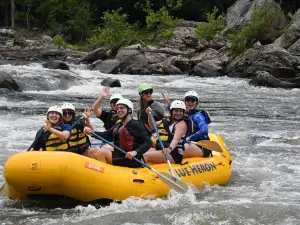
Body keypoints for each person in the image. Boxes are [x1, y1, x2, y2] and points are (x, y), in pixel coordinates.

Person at [84, 99, 152, 168]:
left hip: (131, 159)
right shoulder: (119, 125)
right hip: (120, 156)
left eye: (122, 108)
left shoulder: (136, 124)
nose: (119, 110)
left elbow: (148, 142)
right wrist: (91, 133)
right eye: (118, 108)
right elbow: (105, 135)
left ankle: (104, 173)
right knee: (91, 151)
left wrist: (135, 152)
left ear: (129, 110)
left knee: (100, 152)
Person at [143, 100, 189, 164]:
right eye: (176, 111)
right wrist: (149, 115)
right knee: (142, 151)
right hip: (162, 148)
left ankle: (141, 172)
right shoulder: (167, 120)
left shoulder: (181, 124)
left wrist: (169, 149)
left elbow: (175, 140)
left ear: (183, 112)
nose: (178, 113)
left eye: (180, 111)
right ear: (171, 111)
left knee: (145, 155)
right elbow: (152, 126)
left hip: (173, 154)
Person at [184, 91, 212, 157]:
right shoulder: (184, 114)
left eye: (193, 100)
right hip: (191, 144)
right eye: (188, 100)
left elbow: (204, 130)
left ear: (196, 102)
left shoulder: (198, 116)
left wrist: (189, 138)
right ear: (185, 102)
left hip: (201, 145)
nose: (190, 103)